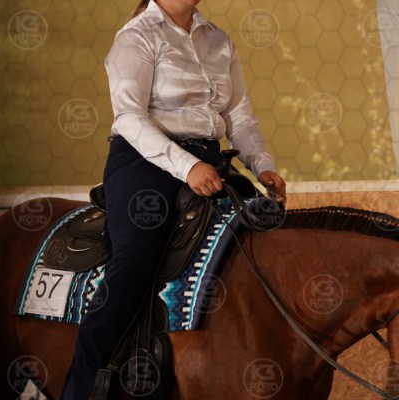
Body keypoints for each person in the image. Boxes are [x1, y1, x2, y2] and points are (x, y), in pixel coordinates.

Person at [61, 0, 286, 398]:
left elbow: (240, 116)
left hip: (210, 162)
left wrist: (262, 166)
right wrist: (187, 167)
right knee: (133, 263)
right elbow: (129, 117)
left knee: (264, 235)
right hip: (144, 163)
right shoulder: (136, 36)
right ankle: (82, 388)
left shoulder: (219, 40)